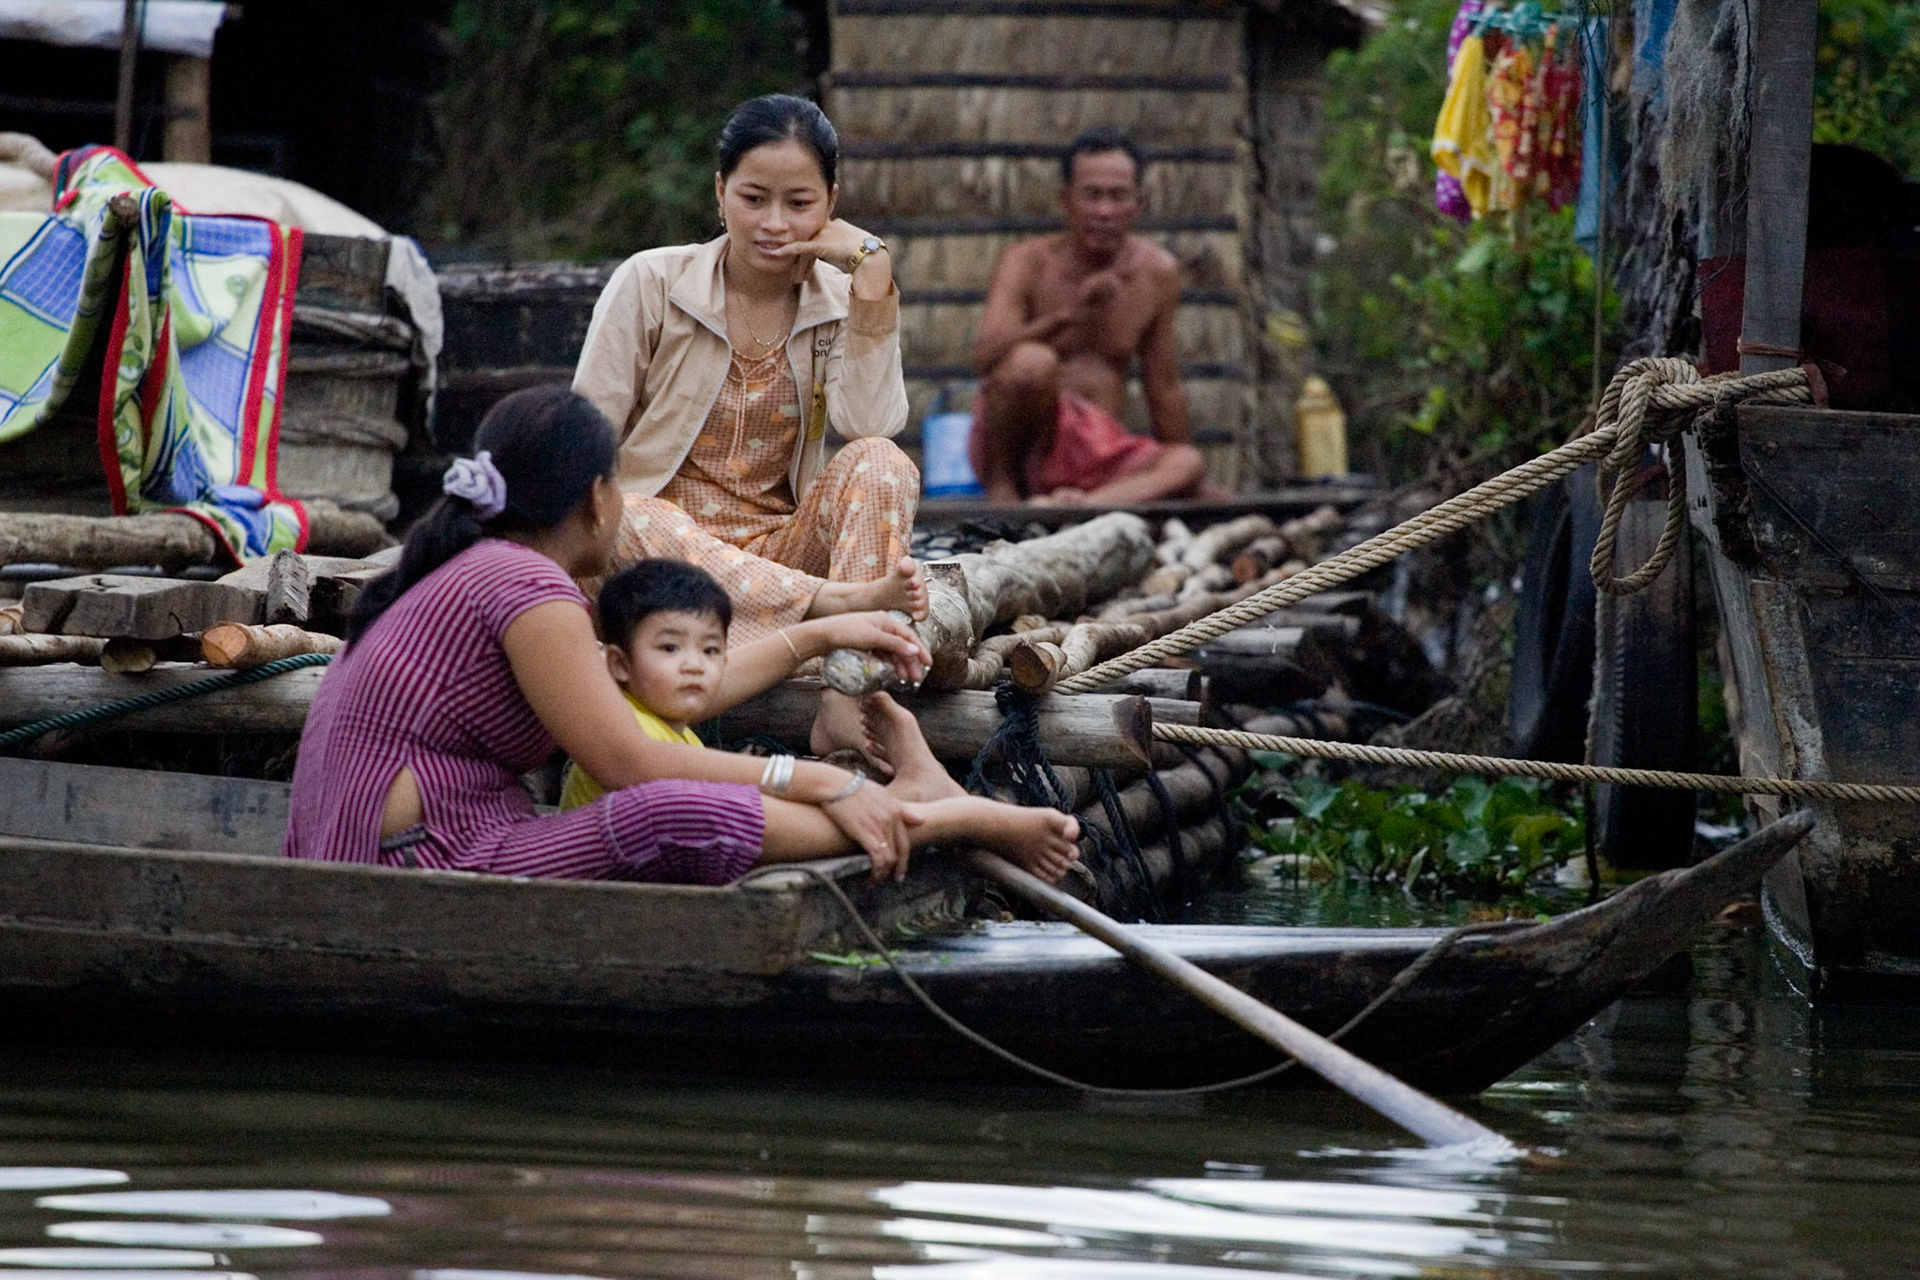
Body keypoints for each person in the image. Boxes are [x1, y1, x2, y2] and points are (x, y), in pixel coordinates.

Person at [283, 384, 1080, 886]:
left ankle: (914, 803)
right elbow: (629, 762)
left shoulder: (492, 567)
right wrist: (823, 781)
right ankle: (927, 816)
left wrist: (819, 634)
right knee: (665, 811)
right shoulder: (522, 582)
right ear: (597, 499)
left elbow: (657, 694)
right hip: (414, 863)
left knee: (670, 798)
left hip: (413, 847)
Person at [573, 93, 919, 758]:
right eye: (753, 199)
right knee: (627, 510)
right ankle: (839, 608)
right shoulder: (651, 282)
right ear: (720, 192)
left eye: (800, 203)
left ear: (832, 202)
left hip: (773, 554)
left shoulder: (840, 298)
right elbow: (583, 444)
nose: (774, 224)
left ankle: (845, 694)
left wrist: (872, 276)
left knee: (883, 461)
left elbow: (871, 423)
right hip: (654, 562)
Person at [970, 125, 1212, 507]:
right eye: (1091, 195)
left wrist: (1184, 482)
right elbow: (985, 355)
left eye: (1118, 196)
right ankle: (1005, 491)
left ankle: (1086, 506)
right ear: (1066, 200)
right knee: (1032, 363)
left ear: (1139, 203)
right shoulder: (1027, 261)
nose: (1104, 211)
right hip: (1027, 450)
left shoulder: (1156, 273)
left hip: (1099, 454)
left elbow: (1163, 385)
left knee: (1186, 461)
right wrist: (1068, 317)